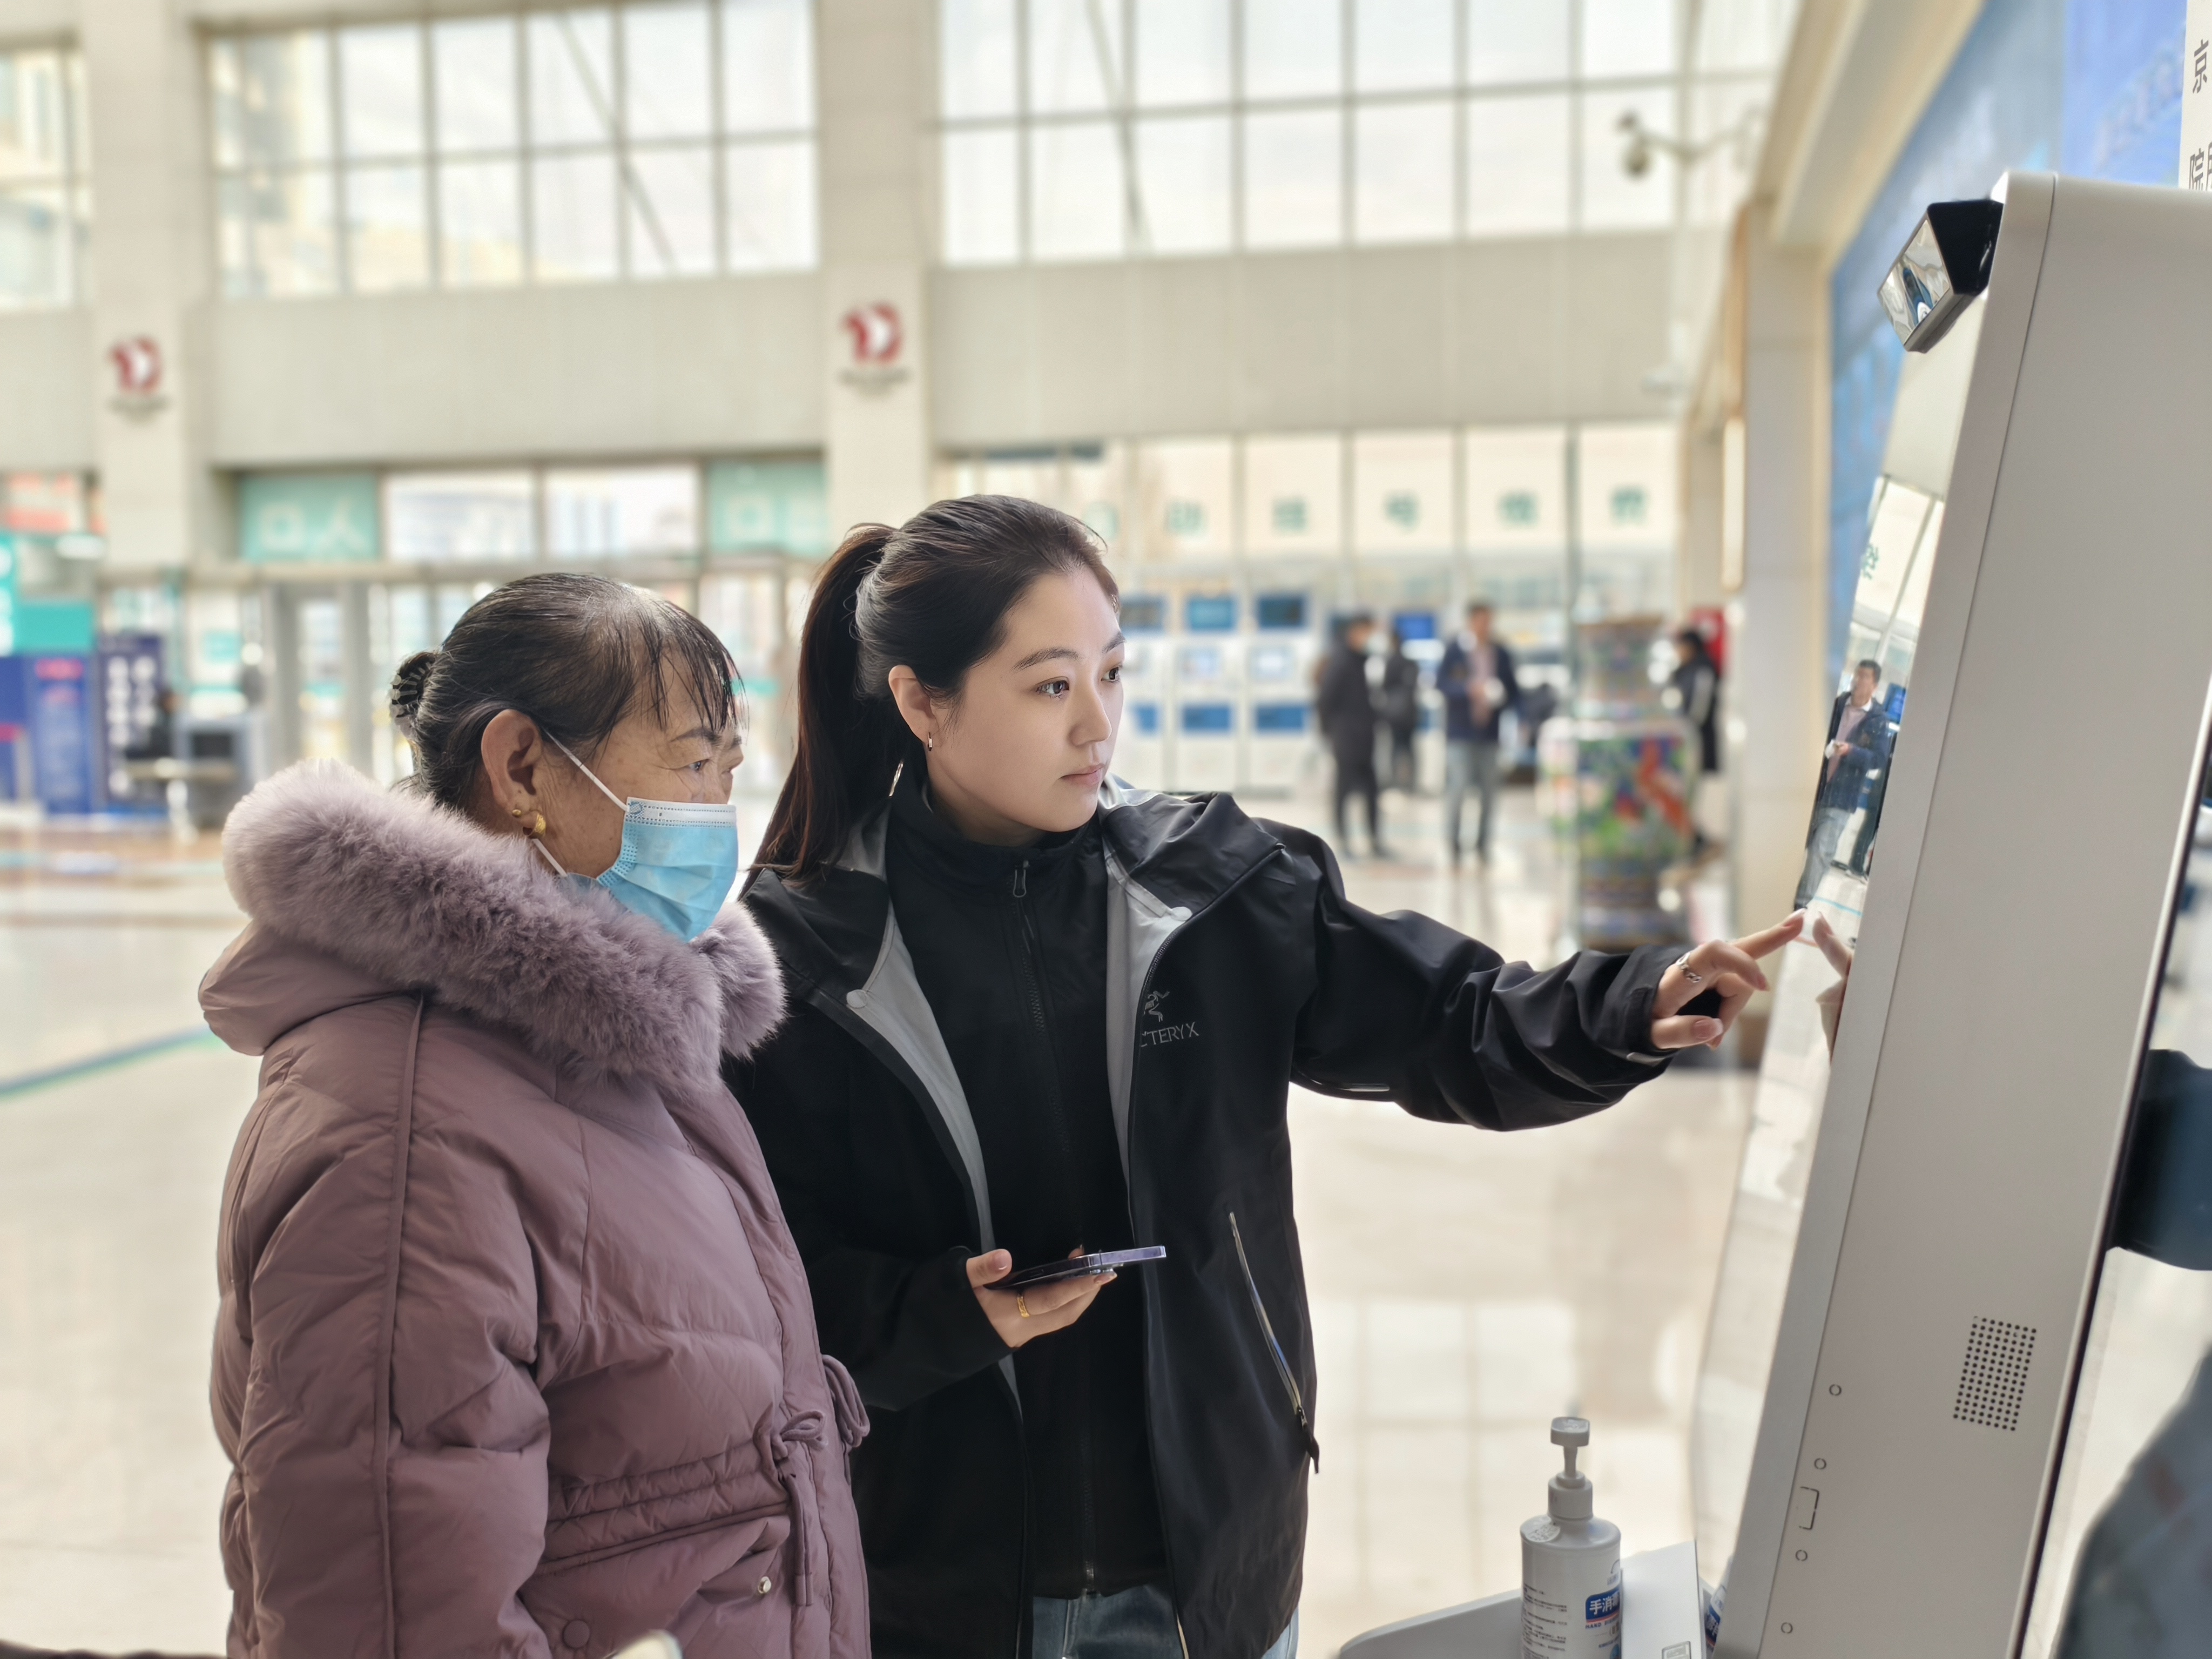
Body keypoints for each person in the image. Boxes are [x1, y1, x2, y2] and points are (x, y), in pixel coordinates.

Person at [729, 495, 1804, 1659]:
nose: (1097, 723)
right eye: (1049, 687)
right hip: (944, 1591)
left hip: (1210, 1569)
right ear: (922, 703)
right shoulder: (804, 961)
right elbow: (761, 1290)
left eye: (1112, 672)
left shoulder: (1211, 890)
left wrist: (1626, 1005)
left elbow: (1451, 1021)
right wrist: (945, 1314)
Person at [199, 575, 868, 1659]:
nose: (717, 809)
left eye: (729, 770)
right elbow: (390, 1609)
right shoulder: (405, 1140)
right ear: (520, 769)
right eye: (692, 764)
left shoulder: (619, 1052)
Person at [1796, 659, 1893, 908]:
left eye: (1865, 677)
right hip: (1813, 790)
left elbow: (1879, 759)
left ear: (1875, 685)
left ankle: (1799, 906)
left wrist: (1852, 751)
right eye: (1857, 674)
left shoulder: (1878, 720)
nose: (1858, 680)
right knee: (1793, 846)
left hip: (1842, 798)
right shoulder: (1837, 705)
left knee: (1820, 852)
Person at [1438, 602, 1520, 863]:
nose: (1485, 626)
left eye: (1488, 621)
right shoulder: (1455, 650)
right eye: (1480, 621)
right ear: (1471, 622)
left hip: (1490, 734)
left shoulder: (1501, 653)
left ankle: (1483, 844)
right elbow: (1442, 684)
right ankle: (1454, 843)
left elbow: (1514, 690)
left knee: (1489, 792)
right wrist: (1468, 690)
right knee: (1458, 788)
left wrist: (1502, 698)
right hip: (1461, 733)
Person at [1317, 612, 1389, 858]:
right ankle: (1343, 840)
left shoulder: (1363, 661)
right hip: (1346, 737)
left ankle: (1374, 840)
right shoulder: (1341, 661)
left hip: (1366, 736)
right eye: (1369, 632)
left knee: (1372, 790)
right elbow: (1325, 700)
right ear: (1357, 632)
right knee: (1344, 790)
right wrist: (1330, 732)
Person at [1378, 628, 1422, 792]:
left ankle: (1395, 781)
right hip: (1410, 713)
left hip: (1396, 715)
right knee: (1409, 748)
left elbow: (1385, 686)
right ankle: (1411, 783)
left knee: (1396, 748)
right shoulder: (1412, 663)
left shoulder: (1391, 662)